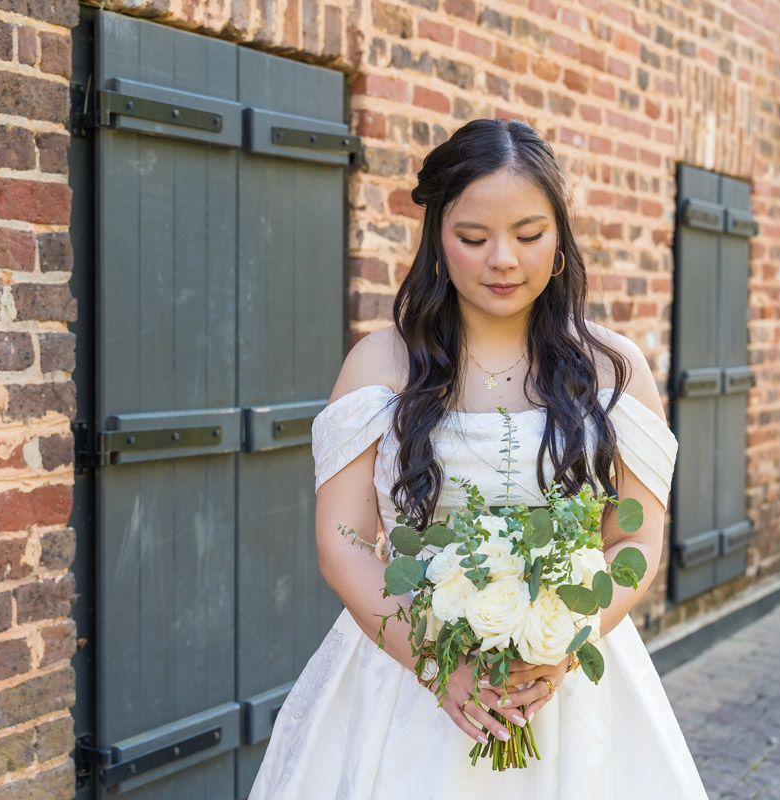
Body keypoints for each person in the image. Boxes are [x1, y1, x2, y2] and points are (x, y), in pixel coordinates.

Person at [249, 118, 709, 799]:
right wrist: (439, 667)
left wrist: (565, 641)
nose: (503, 260)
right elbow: (342, 543)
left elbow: (635, 537)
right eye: (473, 238)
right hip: (405, 678)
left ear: (558, 240)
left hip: (565, 691)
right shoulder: (380, 363)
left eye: (528, 236)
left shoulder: (613, 370)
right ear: (438, 238)